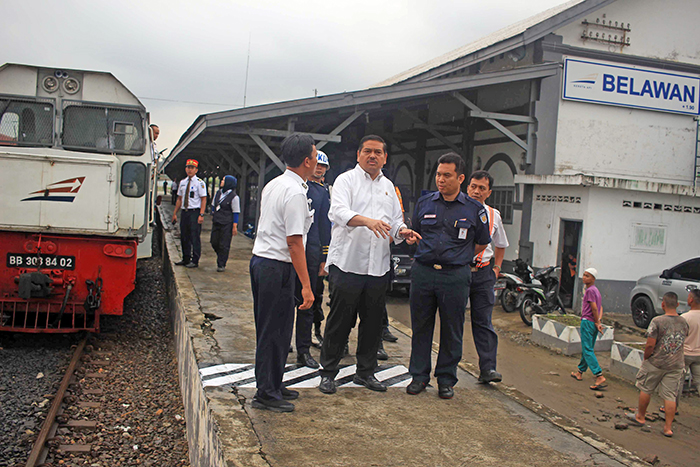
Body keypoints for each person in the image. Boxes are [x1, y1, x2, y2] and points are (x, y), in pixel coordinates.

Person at [318, 135, 419, 395]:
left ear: (385, 157)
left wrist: (404, 232)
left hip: (378, 267)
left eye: (378, 152)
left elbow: (395, 222)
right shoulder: (345, 180)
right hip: (348, 263)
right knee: (339, 321)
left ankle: (365, 372)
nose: (372, 156)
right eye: (367, 152)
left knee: (373, 323)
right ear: (358, 155)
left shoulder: (389, 187)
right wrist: (367, 221)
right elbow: (338, 213)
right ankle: (328, 372)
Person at [406, 153, 490, 399]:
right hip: (423, 273)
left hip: (455, 276)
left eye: (447, 175)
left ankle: (446, 379)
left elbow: (481, 243)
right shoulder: (425, 203)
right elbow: (417, 233)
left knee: (452, 328)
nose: (440, 180)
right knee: (421, 327)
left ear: (460, 178)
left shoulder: (475, 209)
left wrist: (458, 257)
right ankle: (419, 377)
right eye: (438, 175)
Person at [249, 133, 317, 413]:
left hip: (264, 262)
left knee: (278, 330)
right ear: (306, 161)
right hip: (277, 266)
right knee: (272, 331)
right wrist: (306, 285)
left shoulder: (274, 184)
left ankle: (274, 384)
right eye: (314, 157)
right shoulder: (295, 193)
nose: (316, 162)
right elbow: (294, 242)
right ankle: (265, 392)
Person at [466, 170, 509, 384]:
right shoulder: (458, 209)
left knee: (483, 322)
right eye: (473, 186)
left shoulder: (494, 215)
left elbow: (501, 244)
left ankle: (488, 368)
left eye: (482, 188)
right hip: (460, 270)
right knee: (453, 319)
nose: (476, 191)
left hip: (484, 273)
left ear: (489, 192)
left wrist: (496, 269)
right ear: (467, 187)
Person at [626, 292, 689, 437]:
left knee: (646, 388)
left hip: (657, 362)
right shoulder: (683, 322)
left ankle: (640, 416)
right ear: (678, 304)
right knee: (670, 396)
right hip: (676, 364)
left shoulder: (657, 321)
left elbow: (649, 345)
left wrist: (646, 358)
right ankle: (668, 428)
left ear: (662, 304)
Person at [294, 151, 331, 368]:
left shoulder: (321, 193)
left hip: (312, 253)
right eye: (317, 165)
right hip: (288, 252)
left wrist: (324, 257)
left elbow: (325, 227)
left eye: (322, 167)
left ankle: (304, 349)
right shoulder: (294, 187)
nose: (318, 169)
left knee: (308, 303)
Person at [662, 288, 700, 415]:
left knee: (677, 383)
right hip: (699, 355)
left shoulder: (684, 318)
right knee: (699, 382)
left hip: (684, 354)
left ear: (691, 300)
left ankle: (674, 408)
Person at [570, 267, 606, 389]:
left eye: (587, 276)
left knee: (587, 349)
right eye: (584, 275)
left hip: (587, 322)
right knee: (588, 348)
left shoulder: (590, 291)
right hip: (594, 323)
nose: (584, 277)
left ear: (593, 278)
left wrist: (596, 321)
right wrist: (598, 322)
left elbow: (595, 308)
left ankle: (599, 375)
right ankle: (579, 372)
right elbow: (600, 308)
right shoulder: (596, 290)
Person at [171, 160, 207, 268]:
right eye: (188, 167)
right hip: (185, 212)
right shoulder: (183, 182)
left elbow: (203, 199)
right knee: (184, 236)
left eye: (192, 168)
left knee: (194, 236)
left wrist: (201, 214)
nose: (189, 169)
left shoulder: (200, 183)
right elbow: (179, 199)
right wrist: (174, 213)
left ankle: (195, 260)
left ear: (196, 170)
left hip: (195, 212)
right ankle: (185, 258)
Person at [210, 175, 240, 272]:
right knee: (214, 241)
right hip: (217, 221)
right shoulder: (218, 193)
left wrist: (234, 226)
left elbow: (236, 212)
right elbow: (214, 205)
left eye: (223, 180)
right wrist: (213, 213)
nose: (221, 181)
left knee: (224, 244)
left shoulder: (234, 197)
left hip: (227, 223)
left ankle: (221, 264)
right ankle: (221, 255)